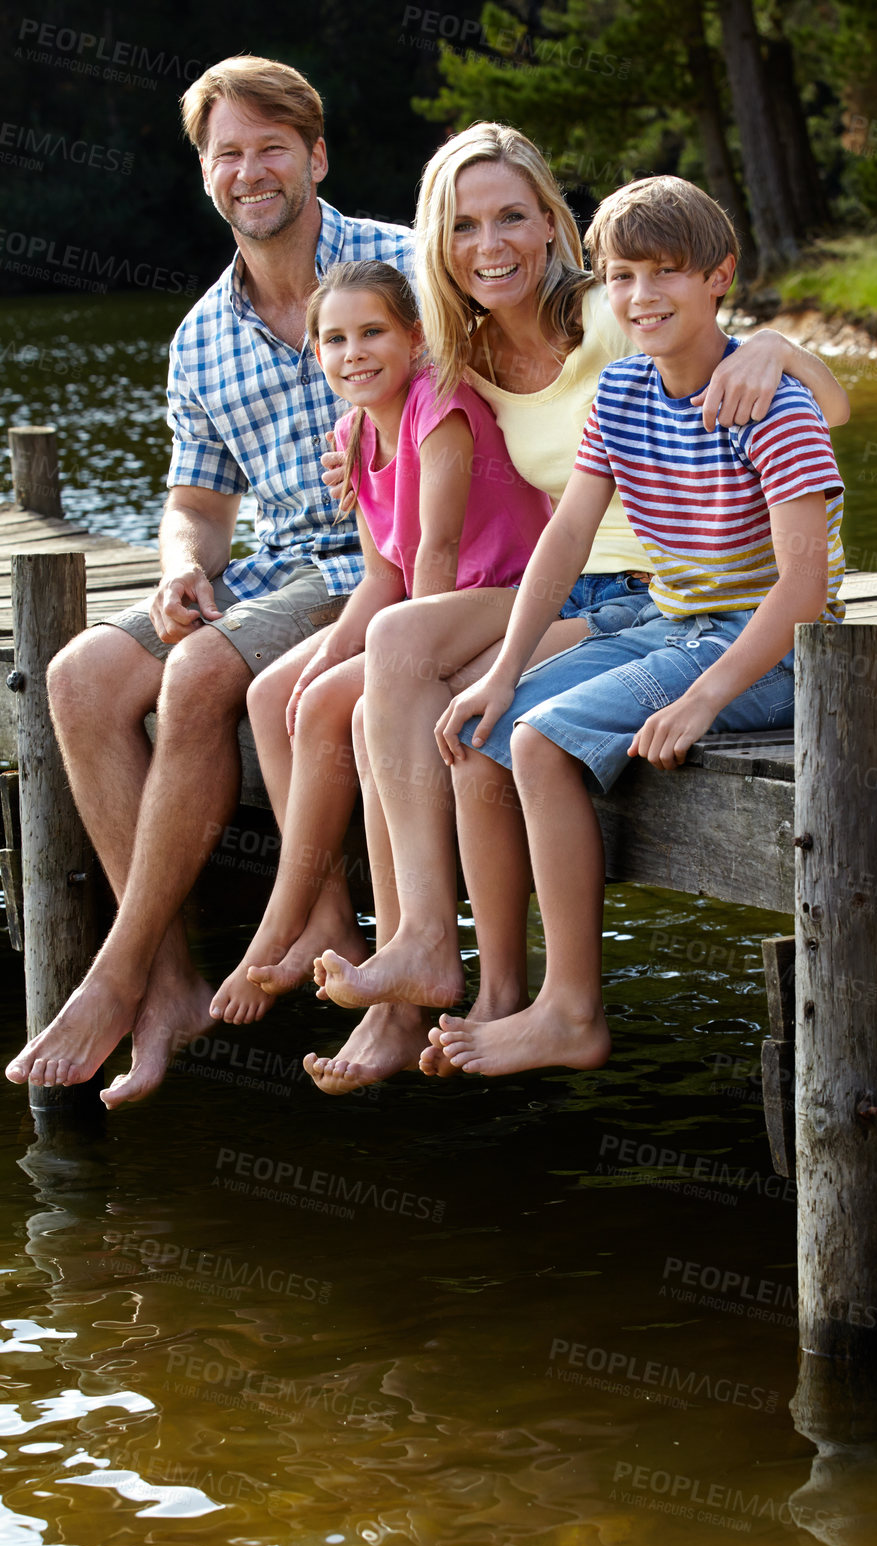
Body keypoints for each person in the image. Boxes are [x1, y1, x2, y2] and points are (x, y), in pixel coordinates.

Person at [307, 123, 851, 1093]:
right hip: (637, 606)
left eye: (511, 216)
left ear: (551, 226)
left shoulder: (659, 341)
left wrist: (769, 345)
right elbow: (550, 527)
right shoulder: (512, 364)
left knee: (515, 731)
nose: (491, 242)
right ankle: (451, 958)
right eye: (467, 224)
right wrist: (363, 434)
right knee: (450, 714)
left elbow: (804, 543)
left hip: (696, 614)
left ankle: (556, 1001)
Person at [4, 56, 414, 1106]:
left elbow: (532, 367)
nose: (249, 170)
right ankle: (174, 980)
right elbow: (196, 501)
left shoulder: (408, 265)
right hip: (273, 566)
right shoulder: (200, 338)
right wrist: (184, 567)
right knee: (80, 677)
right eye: (226, 153)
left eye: (271, 146)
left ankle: (114, 972)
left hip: (384, 560)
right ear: (204, 174)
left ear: (315, 156)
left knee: (197, 680)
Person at [207, 259, 551, 1026]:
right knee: (276, 695)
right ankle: (329, 922)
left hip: (503, 597)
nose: (352, 352)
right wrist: (330, 653)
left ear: (415, 336)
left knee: (344, 702)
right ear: (317, 353)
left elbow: (435, 551)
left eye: (372, 333)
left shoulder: (439, 404)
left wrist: (391, 668)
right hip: (428, 610)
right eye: (334, 339)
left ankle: (281, 925)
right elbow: (378, 578)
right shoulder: (355, 431)